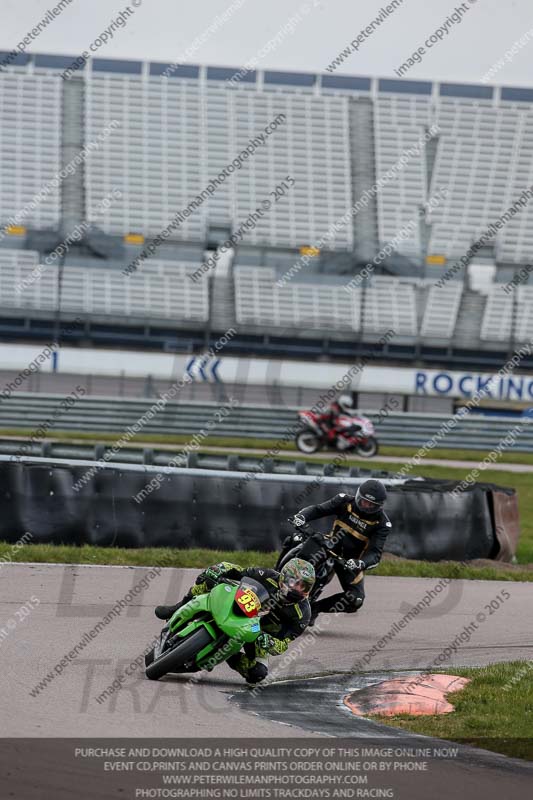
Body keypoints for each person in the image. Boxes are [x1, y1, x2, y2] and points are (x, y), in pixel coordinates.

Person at [154, 558, 315, 685]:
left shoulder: (303, 615)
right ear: (284, 577)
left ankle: (228, 656)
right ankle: (178, 607)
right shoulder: (266, 575)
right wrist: (217, 571)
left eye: (304, 586)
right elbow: (238, 571)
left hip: (258, 634)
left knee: (257, 674)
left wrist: (269, 642)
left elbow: (284, 644)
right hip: (239, 608)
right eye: (296, 583)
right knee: (209, 578)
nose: (299, 589)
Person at [289, 479, 391, 624]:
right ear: (358, 496)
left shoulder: (382, 524)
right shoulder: (343, 501)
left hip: (349, 562)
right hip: (330, 545)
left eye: (371, 505)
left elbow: (375, 554)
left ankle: (314, 608)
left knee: (356, 600)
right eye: (364, 501)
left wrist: (359, 563)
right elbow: (318, 509)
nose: (366, 506)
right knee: (300, 541)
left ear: (379, 506)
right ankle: (282, 580)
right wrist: (302, 516)